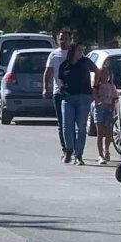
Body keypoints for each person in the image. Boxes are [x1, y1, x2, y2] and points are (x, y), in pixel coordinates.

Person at [59, 44, 98, 166]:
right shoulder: (65, 65)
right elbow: (61, 79)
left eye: (82, 50)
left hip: (84, 97)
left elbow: (97, 70)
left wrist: (95, 87)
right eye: (79, 50)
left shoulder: (85, 62)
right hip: (68, 98)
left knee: (81, 128)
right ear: (73, 51)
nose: (81, 52)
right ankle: (69, 150)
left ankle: (79, 154)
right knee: (67, 126)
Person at [43, 31, 71, 160]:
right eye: (61, 39)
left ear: (70, 40)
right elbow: (48, 72)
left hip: (73, 93)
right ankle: (65, 149)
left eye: (65, 39)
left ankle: (75, 149)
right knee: (62, 123)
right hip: (58, 93)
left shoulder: (73, 53)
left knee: (73, 123)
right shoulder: (53, 55)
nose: (63, 41)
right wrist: (45, 88)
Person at [92, 67, 118, 165]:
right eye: (104, 74)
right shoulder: (97, 86)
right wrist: (97, 100)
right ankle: (100, 155)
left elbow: (114, 98)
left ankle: (106, 149)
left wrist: (112, 107)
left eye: (108, 74)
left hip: (108, 109)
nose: (105, 76)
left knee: (108, 133)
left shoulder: (112, 86)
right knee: (100, 133)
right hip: (99, 109)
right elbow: (93, 95)